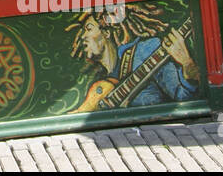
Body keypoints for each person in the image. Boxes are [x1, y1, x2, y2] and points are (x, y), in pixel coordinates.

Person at [67, 6, 200, 109]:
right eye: (82, 32)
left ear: (106, 33)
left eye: (88, 29)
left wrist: (187, 64)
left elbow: (183, 98)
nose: (83, 36)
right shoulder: (99, 83)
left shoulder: (144, 51)